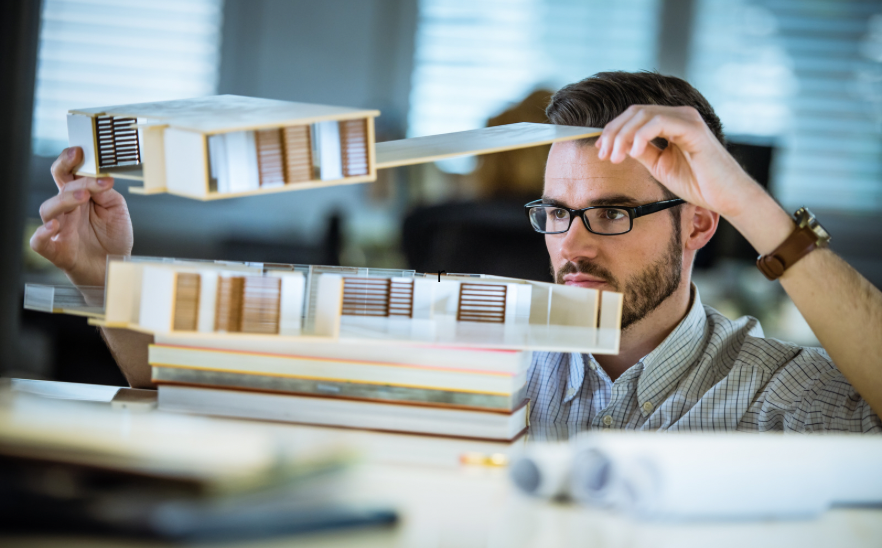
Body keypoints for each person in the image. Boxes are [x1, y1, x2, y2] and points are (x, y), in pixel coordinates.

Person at [31, 71, 882, 432]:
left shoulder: (780, 391)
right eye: (555, 211)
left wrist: (747, 199)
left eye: (613, 214)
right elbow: (181, 381)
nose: (572, 244)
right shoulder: (476, 343)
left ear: (700, 224)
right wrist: (108, 276)